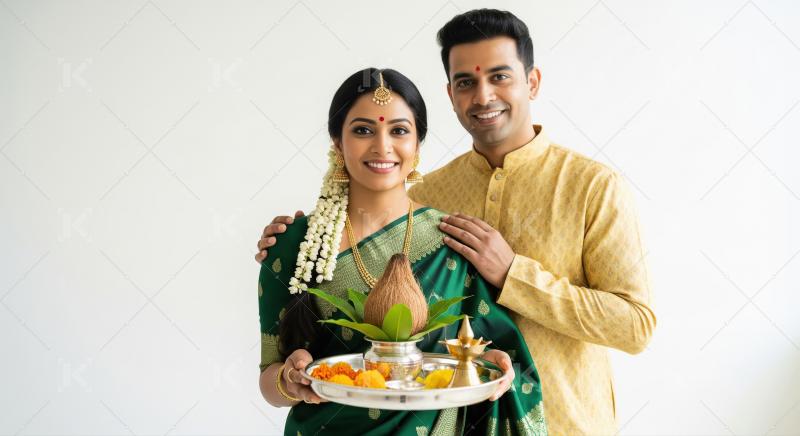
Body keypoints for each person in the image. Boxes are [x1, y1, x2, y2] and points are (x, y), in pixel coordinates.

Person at [256, 9, 655, 435]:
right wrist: (298, 242)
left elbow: (635, 326)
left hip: (569, 420)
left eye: (500, 76)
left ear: (533, 81)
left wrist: (513, 275)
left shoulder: (592, 187)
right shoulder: (430, 195)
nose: (483, 96)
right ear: (450, 94)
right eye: (466, 82)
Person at [257, 67, 547, 435]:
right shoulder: (297, 245)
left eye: (399, 131)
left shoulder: (453, 241)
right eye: (363, 130)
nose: (382, 147)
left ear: (417, 145)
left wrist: (494, 365)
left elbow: (491, 352)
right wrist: (289, 379)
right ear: (337, 143)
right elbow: (269, 378)